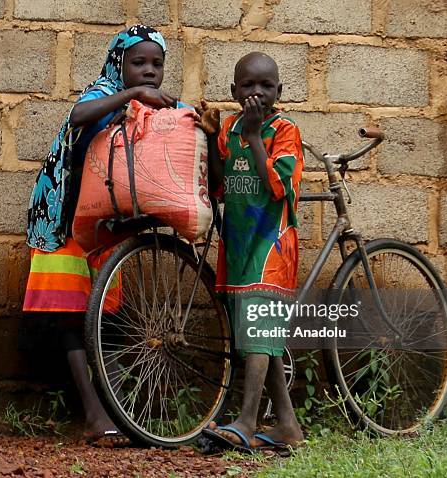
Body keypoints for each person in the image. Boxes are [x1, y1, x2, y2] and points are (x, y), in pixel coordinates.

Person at [22, 24, 186, 448]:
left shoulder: (161, 107)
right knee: (67, 317)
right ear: (119, 64)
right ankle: (95, 414)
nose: (149, 71)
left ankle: (115, 411)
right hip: (63, 221)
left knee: (104, 317)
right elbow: (78, 117)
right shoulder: (100, 93)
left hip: (108, 227)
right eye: (138, 63)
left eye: (157, 64)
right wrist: (132, 97)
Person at [197, 52, 304, 452]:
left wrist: (257, 137)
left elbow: (278, 185)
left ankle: (247, 420)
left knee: (260, 329)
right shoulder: (230, 129)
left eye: (266, 86)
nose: (256, 92)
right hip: (240, 242)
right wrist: (210, 136)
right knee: (259, 334)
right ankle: (287, 427)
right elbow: (221, 186)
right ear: (233, 91)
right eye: (247, 86)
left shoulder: (284, 131)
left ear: (280, 92)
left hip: (272, 243)